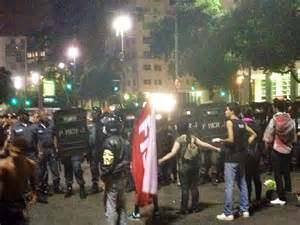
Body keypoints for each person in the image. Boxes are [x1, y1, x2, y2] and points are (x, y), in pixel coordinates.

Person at [158, 118, 220, 214]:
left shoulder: (179, 140)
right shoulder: (193, 138)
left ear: (178, 129)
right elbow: (204, 144)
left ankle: (184, 209)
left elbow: (172, 153)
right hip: (195, 166)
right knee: (194, 187)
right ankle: (195, 207)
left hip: (184, 167)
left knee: (185, 188)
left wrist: (162, 160)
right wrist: (216, 148)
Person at [216, 103, 256, 221]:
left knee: (229, 186)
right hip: (241, 157)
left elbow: (231, 139)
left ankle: (228, 213)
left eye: (227, 109)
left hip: (231, 158)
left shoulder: (229, 122)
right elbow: (254, 134)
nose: (225, 112)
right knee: (242, 183)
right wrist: (246, 143)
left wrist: (221, 140)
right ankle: (245, 210)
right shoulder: (242, 123)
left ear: (232, 111)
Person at [263, 98, 296, 205]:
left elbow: (268, 136)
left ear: (275, 107)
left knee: (277, 174)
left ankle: (281, 198)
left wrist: (267, 145)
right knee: (286, 172)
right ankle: (288, 192)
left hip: (277, 149)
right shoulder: (290, 120)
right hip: (288, 149)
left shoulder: (274, 120)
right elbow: (294, 137)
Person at [10, 109, 47, 203]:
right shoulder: (14, 127)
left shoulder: (33, 126)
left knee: (36, 175)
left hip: (32, 154)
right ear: (19, 116)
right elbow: (12, 142)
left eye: (26, 115)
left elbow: (38, 141)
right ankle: (26, 195)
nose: (24, 116)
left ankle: (37, 194)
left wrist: (40, 152)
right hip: (21, 155)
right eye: (22, 115)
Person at [100, 112, 130, 225]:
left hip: (113, 179)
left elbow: (107, 165)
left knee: (111, 206)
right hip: (124, 177)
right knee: (122, 205)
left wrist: (103, 178)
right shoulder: (126, 142)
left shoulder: (108, 142)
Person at [0, 138, 36, 225]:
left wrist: (34, 193)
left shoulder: (30, 164)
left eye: (17, 153)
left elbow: (32, 179)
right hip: (5, 202)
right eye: (12, 151)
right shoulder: (4, 166)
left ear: (24, 153)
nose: (14, 155)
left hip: (18, 202)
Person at [36, 111, 63, 195]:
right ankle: (44, 187)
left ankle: (57, 187)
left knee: (54, 169)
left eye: (46, 115)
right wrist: (39, 151)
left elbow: (55, 136)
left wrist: (57, 148)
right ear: (39, 117)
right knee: (43, 170)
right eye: (43, 115)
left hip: (51, 149)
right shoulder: (36, 127)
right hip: (42, 150)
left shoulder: (52, 125)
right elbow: (35, 140)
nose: (45, 116)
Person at [242, 108, 262, 207]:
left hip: (246, 153)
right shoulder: (256, 125)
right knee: (256, 176)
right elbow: (260, 139)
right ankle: (258, 198)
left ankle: (248, 198)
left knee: (247, 178)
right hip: (256, 153)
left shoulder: (241, 126)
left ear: (243, 115)